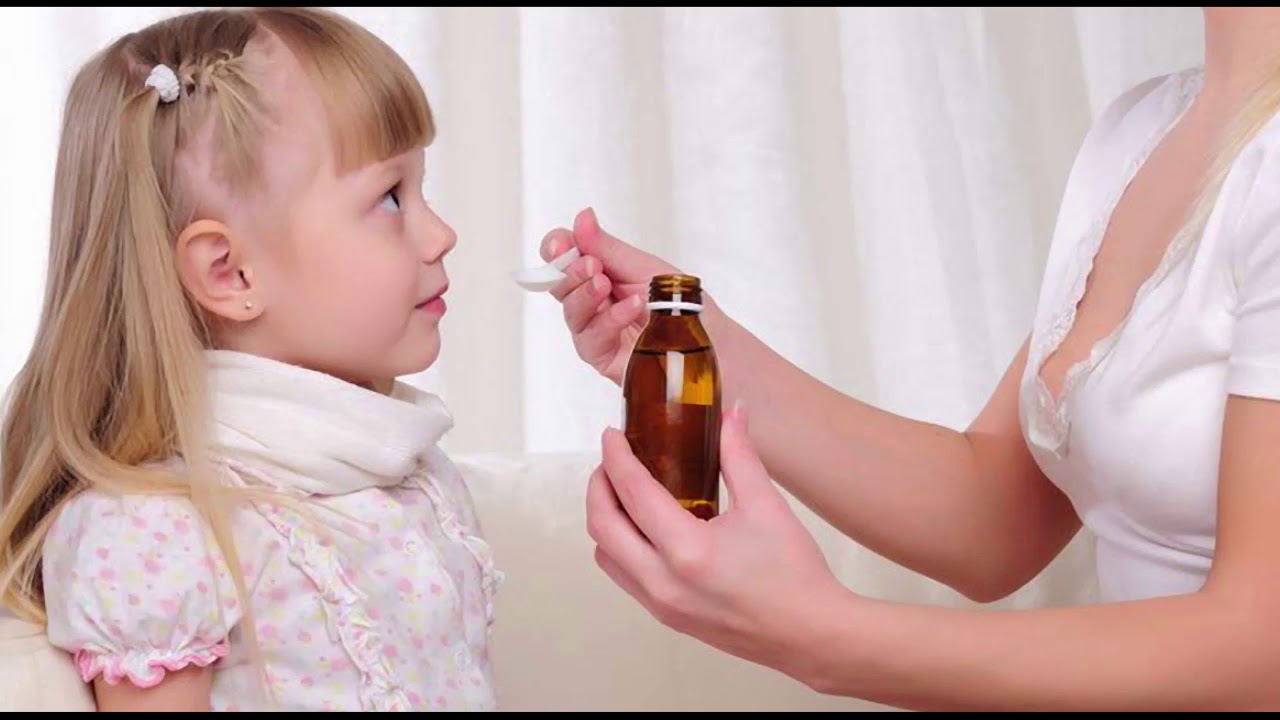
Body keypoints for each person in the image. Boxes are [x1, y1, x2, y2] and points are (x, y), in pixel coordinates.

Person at [545, 7, 1280, 709]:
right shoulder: (1142, 131)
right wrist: (708, 353)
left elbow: (1260, 654)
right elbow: (994, 521)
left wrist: (822, 636)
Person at [0, 8, 499, 711]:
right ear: (230, 273)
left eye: (421, 187)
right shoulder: (154, 531)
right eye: (390, 197)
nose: (441, 234)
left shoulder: (412, 473)